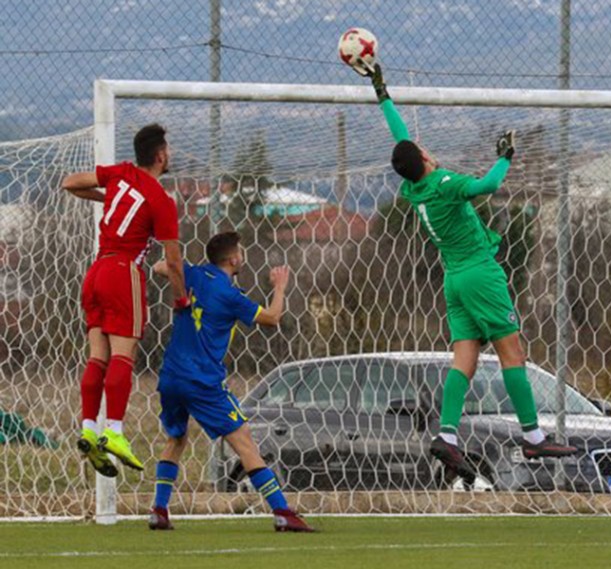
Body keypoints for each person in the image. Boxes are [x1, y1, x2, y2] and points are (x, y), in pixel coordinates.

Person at [362, 63, 577, 484]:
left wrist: (382, 92)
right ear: (424, 158)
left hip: (454, 281)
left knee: (465, 359)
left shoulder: (412, 189)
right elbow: (487, 188)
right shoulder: (442, 182)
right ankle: (533, 435)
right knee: (513, 354)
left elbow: (400, 137)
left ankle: (446, 433)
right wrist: (505, 158)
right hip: (481, 274)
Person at [147, 231, 313, 532]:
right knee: (244, 440)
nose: (243, 254)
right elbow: (274, 317)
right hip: (202, 380)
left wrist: (172, 269)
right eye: (241, 250)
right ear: (234, 258)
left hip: (171, 374)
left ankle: (159, 509)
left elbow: (163, 267)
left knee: (177, 439)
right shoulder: (230, 295)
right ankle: (282, 512)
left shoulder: (192, 273)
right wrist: (280, 287)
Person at [62, 123, 188, 476]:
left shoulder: (120, 173)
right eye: (170, 149)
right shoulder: (161, 200)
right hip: (123, 273)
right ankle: (114, 432)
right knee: (124, 354)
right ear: (161, 155)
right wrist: (181, 300)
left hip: (96, 271)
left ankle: (89, 428)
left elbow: (70, 183)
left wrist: (110, 197)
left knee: (97, 356)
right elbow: (174, 261)